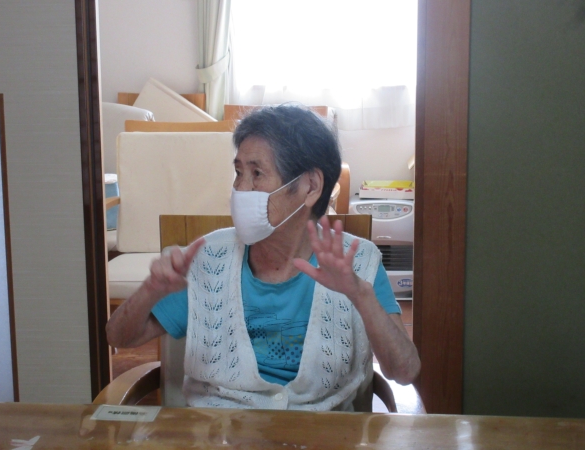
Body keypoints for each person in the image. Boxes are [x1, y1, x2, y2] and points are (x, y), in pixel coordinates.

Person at [106, 104, 420, 411]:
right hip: (218, 431)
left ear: (310, 187)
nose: (240, 189)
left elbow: (404, 371)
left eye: (257, 173)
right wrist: (150, 290)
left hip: (323, 435)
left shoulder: (358, 262)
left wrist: (361, 297)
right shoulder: (207, 258)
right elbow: (118, 336)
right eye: (238, 172)